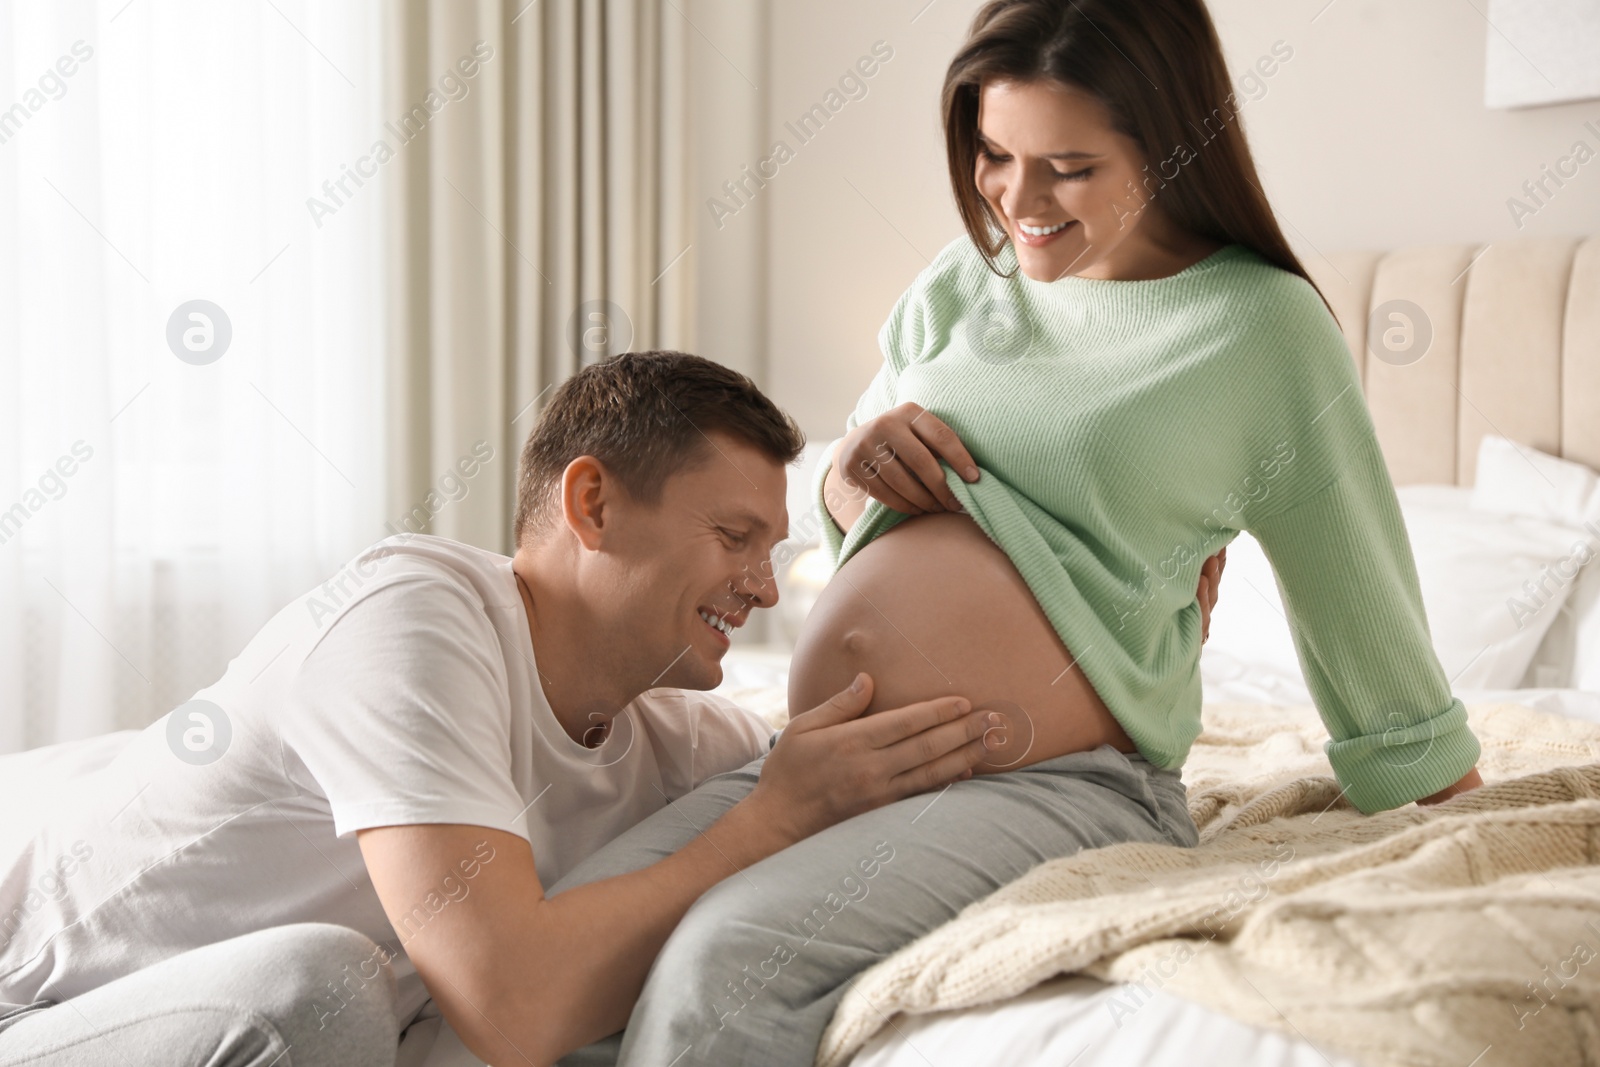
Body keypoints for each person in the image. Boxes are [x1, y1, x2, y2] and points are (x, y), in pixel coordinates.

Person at [547, 1, 1483, 1065]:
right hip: (827, 757)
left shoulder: (1258, 329)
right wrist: (853, 473)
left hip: (1057, 783)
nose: (1018, 200)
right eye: (994, 153)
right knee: (569, 933)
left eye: (1069, 167)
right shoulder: (960, 281)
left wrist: (1449, 807)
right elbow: (832, 508)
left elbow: (1353, 587)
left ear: (1174, 145)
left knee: (725, 963)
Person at [0, 352, 1005, 1067]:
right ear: (592, 503)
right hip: (41, 1007)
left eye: (773, 550)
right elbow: (510, 1001)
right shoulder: (412, 616)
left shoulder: (677, 738)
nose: (765, 588)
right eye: (735, 535)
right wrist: (769, 817)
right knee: (320, 988)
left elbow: (831, 765)